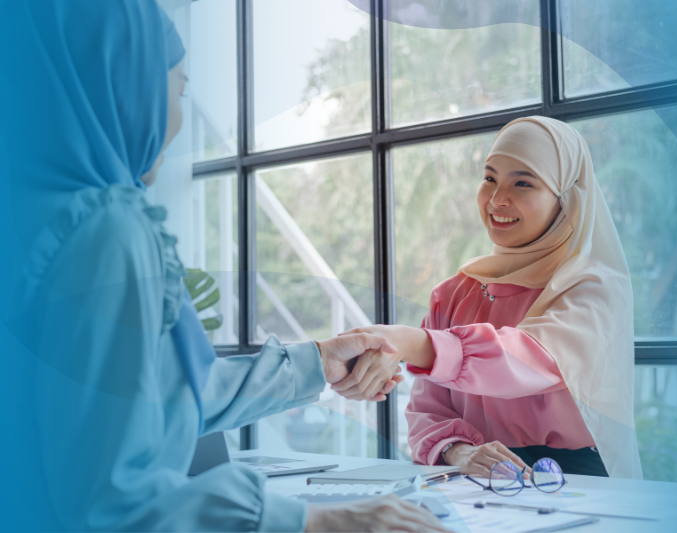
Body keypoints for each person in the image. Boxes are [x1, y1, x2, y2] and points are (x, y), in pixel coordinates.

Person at [0, 1, 448, 532]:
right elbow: (110, 504)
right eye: (180, 87)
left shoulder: (27, 215)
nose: (179, 119)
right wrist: (317, 524)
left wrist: (319, 362)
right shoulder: (107, 229)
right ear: (128, 81)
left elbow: (147, 400)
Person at [335, 117, 643, 479]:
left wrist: (407, 341)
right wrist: (461, 453)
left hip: (578, 482)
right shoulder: (453, 293)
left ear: (566, 199)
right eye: (490, 178)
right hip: (479, 479)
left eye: (523, 183)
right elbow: (426, 413)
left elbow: (531, 357)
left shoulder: (592, 287)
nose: (497, 199)